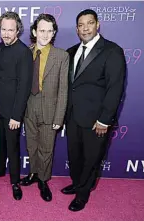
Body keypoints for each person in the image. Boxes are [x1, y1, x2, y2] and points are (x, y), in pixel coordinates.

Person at [62, 9, 126, 211]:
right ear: (76, 29)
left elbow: (115, 88)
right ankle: (77, 183)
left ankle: (83, 194)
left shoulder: (111, 50)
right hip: (72, 116)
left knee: (91, 158)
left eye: (89, 23)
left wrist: (105, 120)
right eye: (81, 25)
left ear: (97, 24)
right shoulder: (71, 51)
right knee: (75, 156)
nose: (85, 28)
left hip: (96, 120)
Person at [20, 14, 69, 202]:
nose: (45, 34)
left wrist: (59, 118)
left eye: (50, 31)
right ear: (34, 32)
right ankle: (33, 173)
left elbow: (64, 90)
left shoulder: (61, 56)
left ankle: (43, 180)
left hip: (50, 109)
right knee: (31, 145)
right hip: (28, 106)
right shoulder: (26, 52)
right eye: (42, 30)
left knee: (46, 148)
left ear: (54, 33)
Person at [0, 11, 33, 200]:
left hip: (12, 113)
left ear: (18, 30)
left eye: (11, 30)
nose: (6, 33)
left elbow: (24, 87)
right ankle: (0, 170)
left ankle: (15, 182)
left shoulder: (24, 52)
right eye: (3, 29)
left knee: (13, 147)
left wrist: (16, 116)